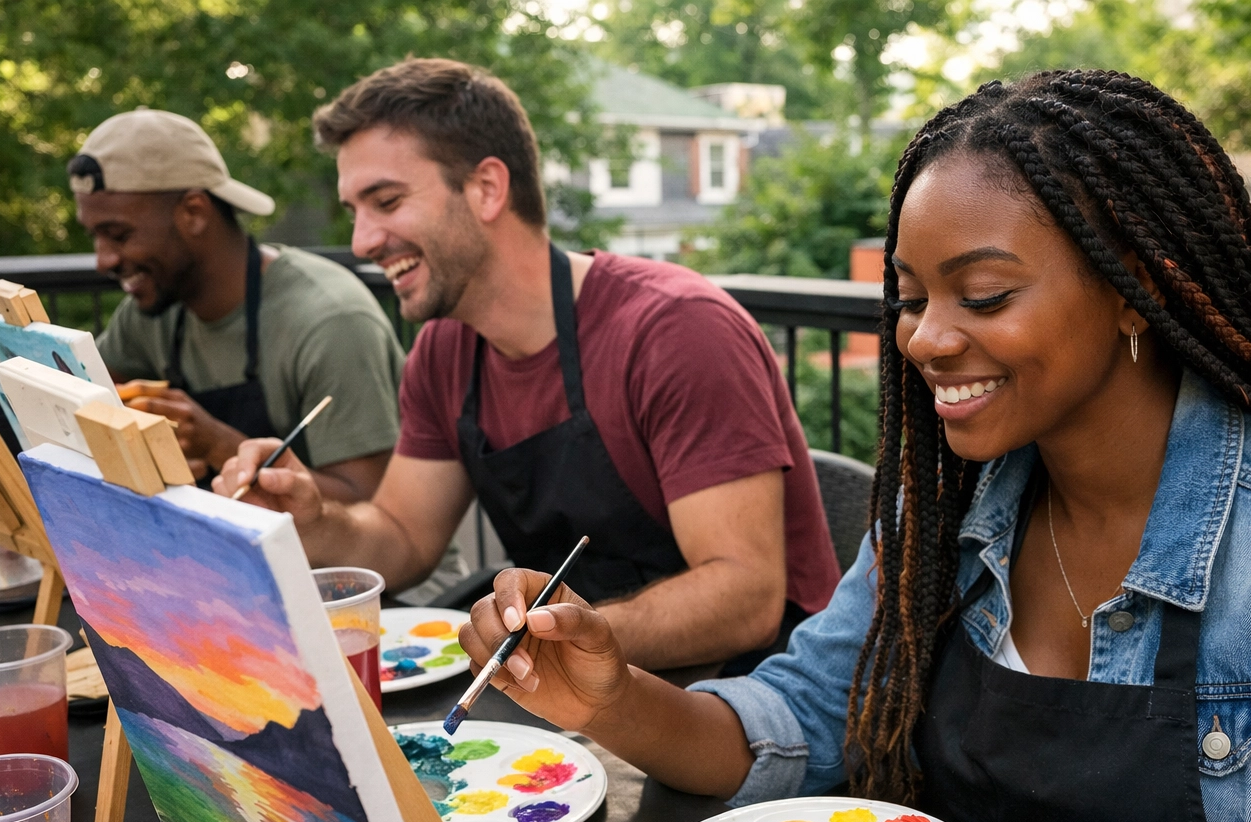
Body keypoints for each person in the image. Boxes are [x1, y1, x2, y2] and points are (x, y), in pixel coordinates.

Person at [455, 71, 1251, 822]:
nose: (925, 338)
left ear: (1134, 286)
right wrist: (611, 700)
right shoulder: (944, 514)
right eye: (910, 297)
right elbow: (800, 720)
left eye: (981, 295)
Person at [216, 59, 840, 672]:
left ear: (488, 188)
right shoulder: (443, 351)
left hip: (755, 691)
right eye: (356, 211)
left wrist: (542, 642)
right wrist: (309, 522)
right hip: (572, 678)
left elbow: (744, 600)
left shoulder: (676, 329)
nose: (361, 242)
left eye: (386, 201)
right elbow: (403, 536)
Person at [71, 109, 404, 500]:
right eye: (94, 237)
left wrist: (219, 446)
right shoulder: (153, 311)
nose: (103, 260)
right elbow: (82, 395)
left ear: (194, 213)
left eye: (118, 235)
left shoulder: (330, 322)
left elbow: (368, 505)